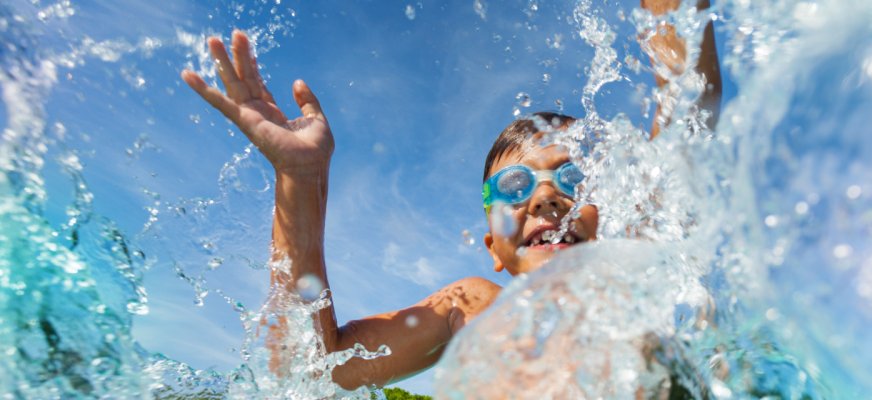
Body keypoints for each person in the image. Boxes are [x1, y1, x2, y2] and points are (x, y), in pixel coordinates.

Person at [179, 0, 720, 390]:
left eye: (576, 178)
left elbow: (688, 113)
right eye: (516, 187)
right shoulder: (473, 306)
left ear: (609, 212)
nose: (549, 196)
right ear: (494, 247)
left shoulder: (643, 283)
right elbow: (312, 367)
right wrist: (299, 182)